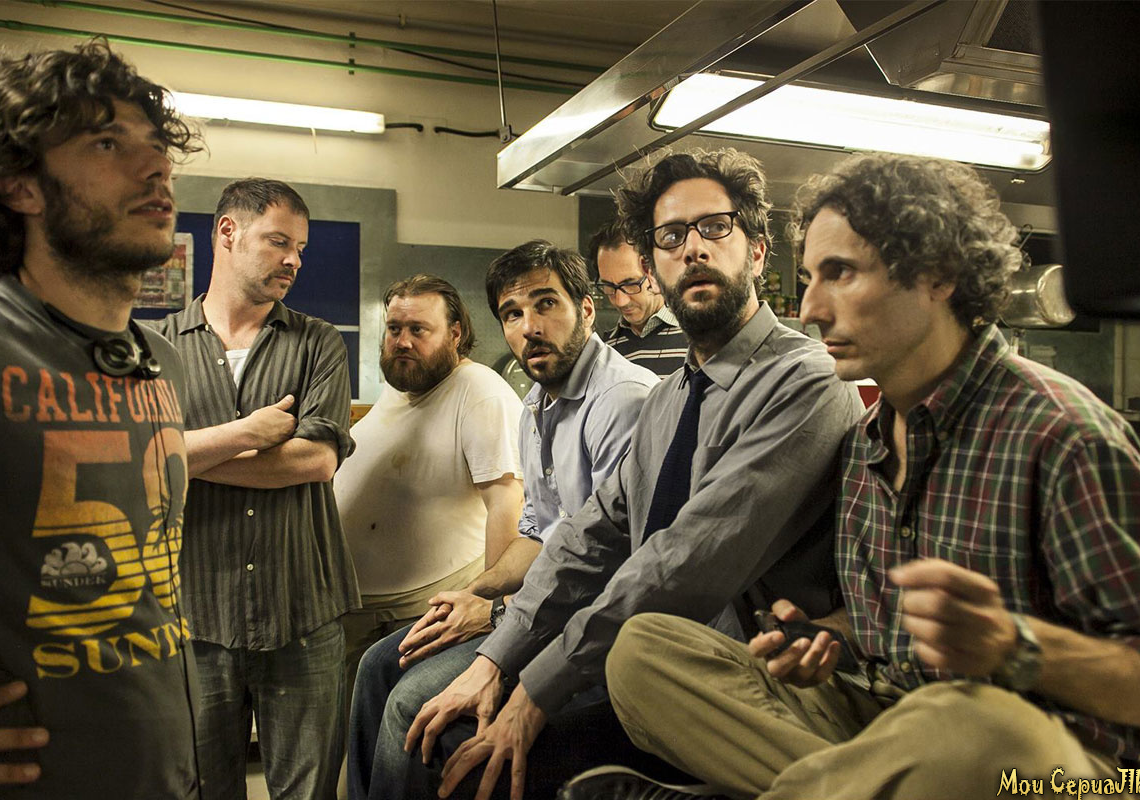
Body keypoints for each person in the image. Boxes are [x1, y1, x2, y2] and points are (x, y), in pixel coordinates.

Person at [589, 154, 1140, 800]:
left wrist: (1015, 647)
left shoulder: (1064, 436)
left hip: (1066, 766)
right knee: (643, 652)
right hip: (887, 725)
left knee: (979, 725)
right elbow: (880, 631)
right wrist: (825, 638)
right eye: (809, 279)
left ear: (938, 275)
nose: (809, 308)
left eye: (840, 274)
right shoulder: (865, 443)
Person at [402, 148, 866, 800]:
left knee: (482, 767)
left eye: (716, 227)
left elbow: (686, 564)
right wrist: (495, 659)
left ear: (759, 252)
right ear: (653, 269)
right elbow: (587, 538)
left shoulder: (805, 381)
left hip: (752, 683)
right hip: (651, 660)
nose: (693, 248)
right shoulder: (671, 398)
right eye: (670, 237)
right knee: (444, 732)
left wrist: (533, 691)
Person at [0, 41, 202, 797]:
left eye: (156, 144)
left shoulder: (156, 358)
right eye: (106, 143)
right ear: (20, 185)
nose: (155, 167)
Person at [347, 242, 657, 800]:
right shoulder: (536, 404)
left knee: (411, 704)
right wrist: (477, 591)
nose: (529, 327)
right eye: (512, 314)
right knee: (376, 666)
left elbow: (607, 562)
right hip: (544, 606)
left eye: (546, 304)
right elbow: (538, 534)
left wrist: (497, 617)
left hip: (599, 628)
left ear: (587, 309)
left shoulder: (620, 401)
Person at [152, 178, 360, 800]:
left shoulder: (318, 342)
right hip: (194, 617)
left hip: (303, 612)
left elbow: (316, 460)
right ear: (227, 232)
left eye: (300, 248)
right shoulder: (157, 349)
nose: (294, 260)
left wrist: (182, 455)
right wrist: (246, 433)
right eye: (278, 242)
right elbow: (135, 463)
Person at [333, 275, 524, 723]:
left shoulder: (479, 391)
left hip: (421, 616)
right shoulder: (401, 387)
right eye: (394, 328)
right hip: (355, 608)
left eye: (418, 329)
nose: (402, 341)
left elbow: (507, 504)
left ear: (455, 334)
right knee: (350, 748)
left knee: (398, 745)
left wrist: (492, 611)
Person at [590, 221, 688, 378]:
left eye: (630, 284)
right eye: (609, 286)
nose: (620, 301)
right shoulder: (603, 351)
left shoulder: (696, 338)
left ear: (655, 271)